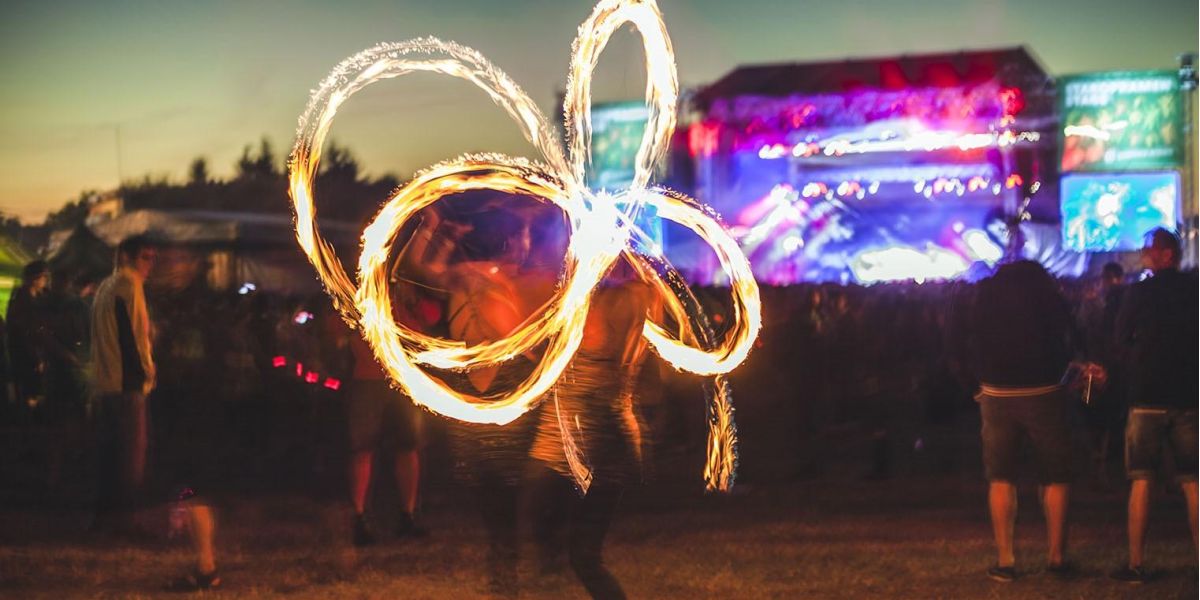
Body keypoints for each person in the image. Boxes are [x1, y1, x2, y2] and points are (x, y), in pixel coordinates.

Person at [91, 236, 219, 590]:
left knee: (115, 456)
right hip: (127, 385)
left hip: (106, 384)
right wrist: (145, 376)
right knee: (132, 457)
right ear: (126, 257)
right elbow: (132, 338)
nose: (149, 264)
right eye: (144, 257)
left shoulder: (105, 287)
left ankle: (109, 521)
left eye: (153, 258)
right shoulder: (128, 286)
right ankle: (128, 525)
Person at [530, 258, 662, 600]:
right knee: (571, 549)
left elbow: (570, 349)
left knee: (577, 553)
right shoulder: (643, 298)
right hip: (609, 442)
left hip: (586, 445)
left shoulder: (605, 309)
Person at [961, 258, 1087, 582]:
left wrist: (975, 383)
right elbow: (1070, 335)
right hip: (1044, 389)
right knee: (1056, 475)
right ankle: (1057, 557)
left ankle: (1006, 560)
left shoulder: (985, 294)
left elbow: (964, 339)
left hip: (997, 391)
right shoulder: (1047, 295)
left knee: (1001, 477)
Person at [1109, 228, 1198, 584]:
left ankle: (1136, 562)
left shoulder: (1138, 294)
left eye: (1149, 249)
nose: (1144, 254)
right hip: (1189, 394)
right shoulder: (1195, 290)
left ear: (1166, 255)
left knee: (1142, 479)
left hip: (1146, 396)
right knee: (1193, 482)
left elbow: (1120, 339)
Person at [6, 260, 53, 415]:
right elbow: (22, 331)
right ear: (35, 278)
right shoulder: (22, 299)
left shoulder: (37, 297)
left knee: (33, 390)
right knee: (29, 391)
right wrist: (36, 357)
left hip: (32, 351)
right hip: (25, 354)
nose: (45, 281)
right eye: (43, 277)